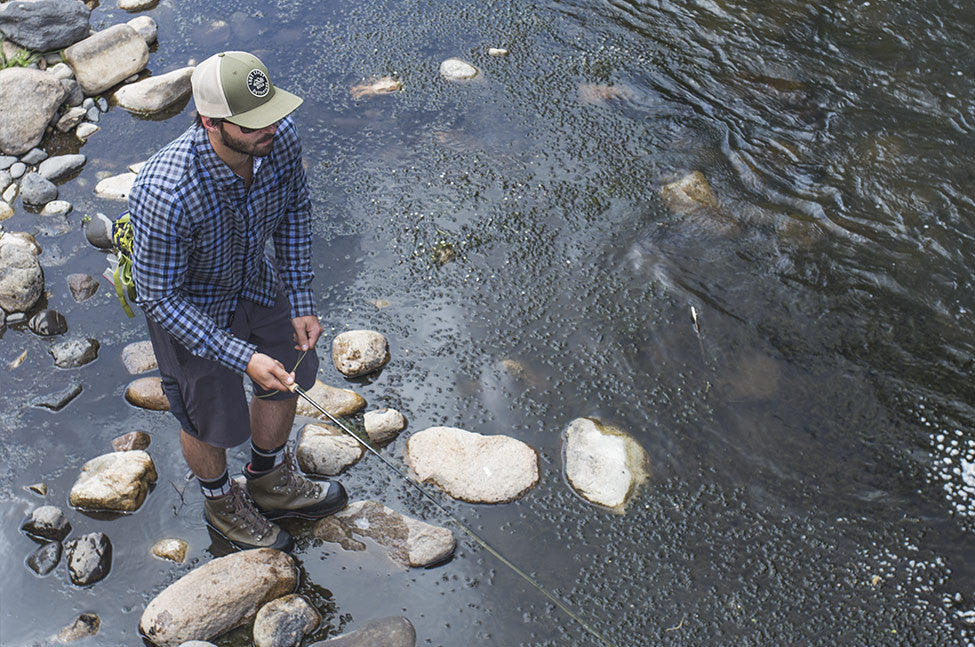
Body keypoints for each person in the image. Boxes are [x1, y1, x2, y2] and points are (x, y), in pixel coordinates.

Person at [128, 51, 347, 552]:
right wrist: (242, 356)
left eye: (270, 112)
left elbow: (294, 208)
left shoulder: (278, 136)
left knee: (289, 368)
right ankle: (221, 501)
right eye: (251, 124)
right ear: (209, 121)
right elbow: (158, 297)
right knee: (208, 416)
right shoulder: (165, 192)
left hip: (254, 279)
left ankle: (269, 480)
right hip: (189, 306)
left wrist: (300, 299)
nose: (268, 127)